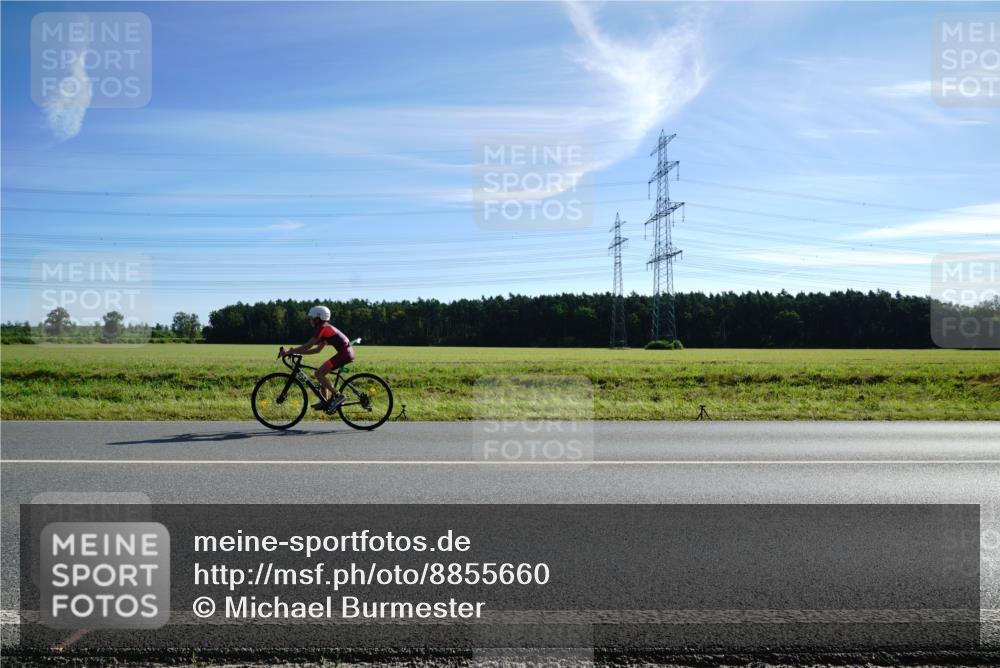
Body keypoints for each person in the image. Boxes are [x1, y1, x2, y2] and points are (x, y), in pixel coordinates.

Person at [280, 305, 355, 410]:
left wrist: (290, 351)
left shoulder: (323, 328)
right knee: (321, 373)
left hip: (344, 353)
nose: (310, 321)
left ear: (318, 318)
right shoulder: (326, 328)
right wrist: (298, 353)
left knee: (318, 373)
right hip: (346, 352)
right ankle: (325, 401)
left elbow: (308, 345)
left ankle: (339, 395)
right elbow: (317, 350)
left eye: (311, 318)